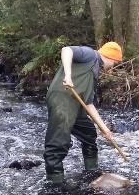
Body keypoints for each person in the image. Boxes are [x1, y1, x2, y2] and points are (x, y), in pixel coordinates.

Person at [43, 42, 122, 184]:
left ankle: (92, 172)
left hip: (76, 104)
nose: (113, 67)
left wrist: (104, 128)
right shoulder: (91, 54)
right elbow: (66, 50)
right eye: (115, 63)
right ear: (112, 58)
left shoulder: (94, 72)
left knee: (89, 133)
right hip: (62, 99)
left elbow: (88, 104)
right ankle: (55, 184)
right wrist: (67, 75)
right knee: (58, 143)